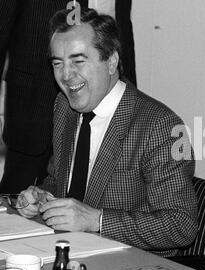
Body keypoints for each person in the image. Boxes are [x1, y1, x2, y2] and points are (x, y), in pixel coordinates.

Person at [17, 8, 198, 257]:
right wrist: (42, 197)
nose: (66, 75)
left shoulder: (160, 126)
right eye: (58, 63)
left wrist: (97, 221)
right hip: (65, 253)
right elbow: (61, 182)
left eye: (78, 61)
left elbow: (181, 225)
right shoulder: (64, 107)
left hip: (129, 266)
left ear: (111, 61)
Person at [0, 0, 136, 194]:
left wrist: (131, 93)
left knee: (90, 200)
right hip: (33, 108)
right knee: (19, 203)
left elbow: (121, 30)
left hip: (101, 110)